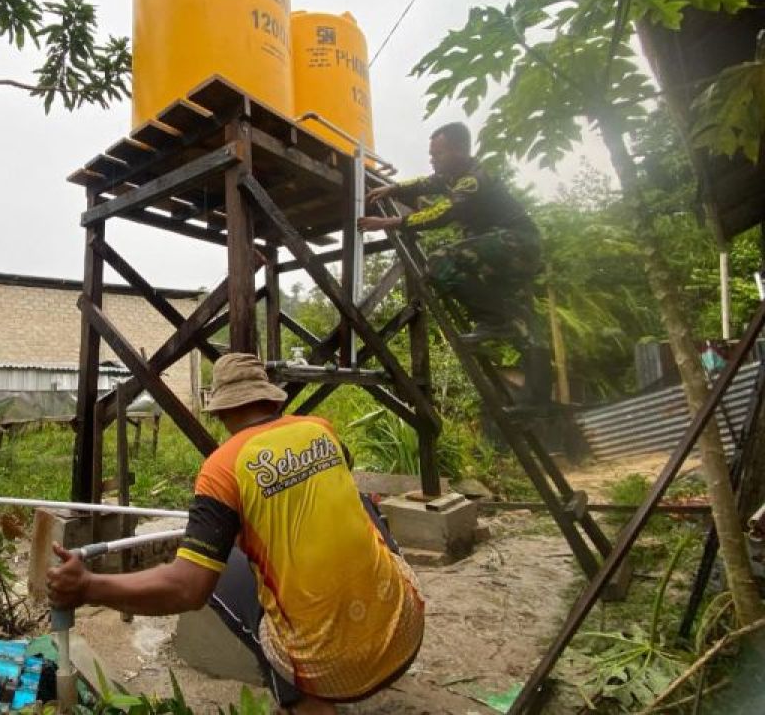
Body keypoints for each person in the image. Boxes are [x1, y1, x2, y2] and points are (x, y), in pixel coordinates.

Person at [46, 353, 424, 714]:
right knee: (362, 506)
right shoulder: (320, 429)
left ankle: (307, 704)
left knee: (225, 572)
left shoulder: (223, 468)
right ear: (271, 399)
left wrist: (88, 586)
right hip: (405, 634)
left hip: (334, 672)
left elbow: (186, 588)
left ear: (222, 410)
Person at [357, 122, 551, 408]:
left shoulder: (473, 179)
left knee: (439, 262)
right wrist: (393, 189)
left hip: (517, 244)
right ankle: (539, 399)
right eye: (431, 154)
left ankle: (495, 321)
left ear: (460, 151)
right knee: (523, 321)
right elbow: (425, 183)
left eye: (439, 154)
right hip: (503, 251)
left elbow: (445, 213)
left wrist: (390, 223)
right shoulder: (449, 176)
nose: (433, 160)